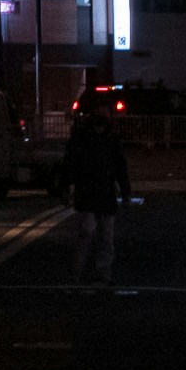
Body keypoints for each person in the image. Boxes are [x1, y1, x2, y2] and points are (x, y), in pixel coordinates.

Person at [63, 103, 131, 287]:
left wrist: (125, 190)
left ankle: (98, 274)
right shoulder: (86, 138)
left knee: (101, 235)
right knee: (90, 232)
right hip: (91, 192)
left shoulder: (107, 139)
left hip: (99, 193)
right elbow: (71, 163)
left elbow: (120, 167)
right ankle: (81, 273)